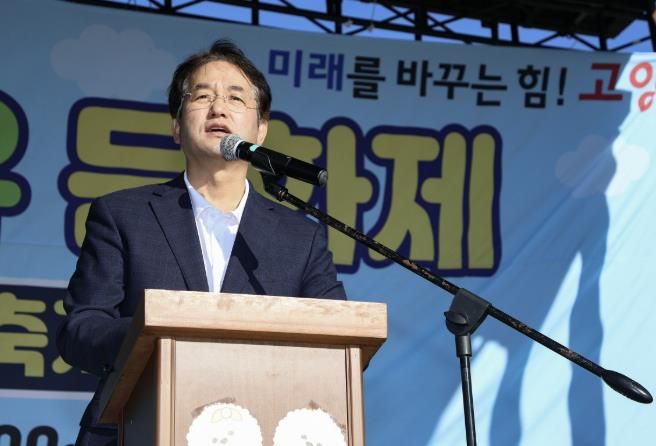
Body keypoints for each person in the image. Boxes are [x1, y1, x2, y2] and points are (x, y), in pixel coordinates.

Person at [57, 39, 346, 446]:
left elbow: (340, 341)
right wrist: (157, 338)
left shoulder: (300, 236)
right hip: (136, 429)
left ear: (261, 129)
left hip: (262, 428)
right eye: (202, 96)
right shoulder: (123, 215)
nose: (218, 108)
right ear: (177, 127)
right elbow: (80, 330)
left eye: (235, 97)